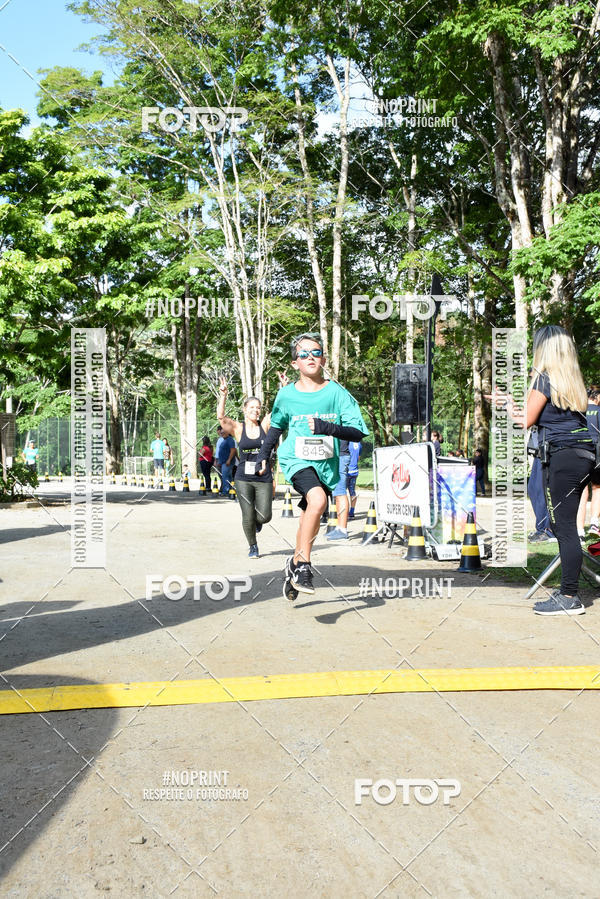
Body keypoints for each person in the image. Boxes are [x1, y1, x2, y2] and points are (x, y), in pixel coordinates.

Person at [491, 326, 599, 616]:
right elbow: (535, 416)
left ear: (543, 349)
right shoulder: (572, 381)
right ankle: (569, 590)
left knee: (564, 529)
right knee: (568, 528)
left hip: (563, 457)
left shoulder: (542, 378)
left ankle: (569, 596)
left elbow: (524, 422)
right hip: (584, 454)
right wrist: (512, 404)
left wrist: (507, 407)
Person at [255, 332, 368, 597]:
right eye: (303, 353)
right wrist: (263, 456)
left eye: (315, 352)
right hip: (296, 459)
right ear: (295, 363)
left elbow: (358, 431)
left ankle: (294, 563)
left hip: (326, 465)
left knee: (310, 516)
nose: (310, 357)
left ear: (324, 359)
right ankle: (304, 565)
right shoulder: (286, 395)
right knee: (318, 502)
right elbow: (276, 428)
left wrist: (326, 427)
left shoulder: (337, 392)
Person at [217, 378, 275, 557]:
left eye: (258, 408)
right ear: (245, 410)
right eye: (251, 408)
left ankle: (257, 523)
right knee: (247, 515)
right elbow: (221, 417)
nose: (255, 411)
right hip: (243, 478)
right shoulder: (238, 428)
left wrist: (281, 386)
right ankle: (253, 546)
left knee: (264, 516)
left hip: (263, 477)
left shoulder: (264, 425)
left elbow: (277, 410)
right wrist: (223, 395)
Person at [577, 386, 600, 538]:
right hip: (598, 452)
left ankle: (579, 531)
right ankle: (594, 523)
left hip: (581, 451)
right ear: (596, 397)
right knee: (597, 487)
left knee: (582, 490)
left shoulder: (577, 412)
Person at [216, 426, 237, 496]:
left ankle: (226, 491)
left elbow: (233, 450)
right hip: (223, 462)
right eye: (221, 433)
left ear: (227, 433)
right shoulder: (224, 440)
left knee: (225, 476)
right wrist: (219, 462)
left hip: (227, 462)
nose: (222, 434)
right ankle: (232, 489)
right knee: (229, 476)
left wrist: (229, 460)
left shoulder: (230, 440)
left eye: (223, 433)